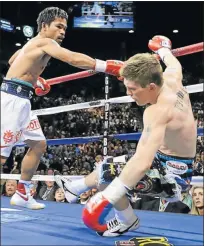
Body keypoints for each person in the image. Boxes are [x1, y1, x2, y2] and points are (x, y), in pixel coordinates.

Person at [55, 35, 197, 236]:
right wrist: (163, 49)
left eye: (132, 89)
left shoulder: (157, 111)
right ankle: (75, 188)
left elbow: (141, 163)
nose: (129, 94)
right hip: (165, 159)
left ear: (151, 87)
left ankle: (127, 220)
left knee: (107, 172)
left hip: (175, 178)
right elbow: (173, 63)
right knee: (110, 162)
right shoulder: (172, 78)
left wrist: (105, 198)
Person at [0, 7, 123, 210]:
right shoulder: (44, 42)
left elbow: (14, 60)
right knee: (2, 155)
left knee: (38, 145)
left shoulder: (32, 44)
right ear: (44, 26)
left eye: (65, 28)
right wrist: (106, 66)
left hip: (22, 99)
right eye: (58, 26)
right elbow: (72, 58)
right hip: (11, 100)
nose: (63, 31)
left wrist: (35, 79)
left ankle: (23, 192)